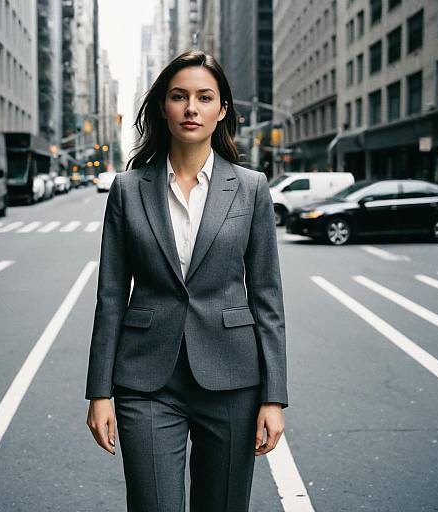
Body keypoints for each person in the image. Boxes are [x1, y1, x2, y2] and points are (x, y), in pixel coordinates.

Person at [85, 50, 288, 512]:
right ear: (163, 106)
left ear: (222, 111)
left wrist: (274, 396)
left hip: (233, 379)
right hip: (146, 380)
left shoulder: (252, 187)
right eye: (179, 96)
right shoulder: (128, 189)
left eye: (204, 97)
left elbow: (267, 299)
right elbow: (111, 297)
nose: (191, 107)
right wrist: (100, 391)